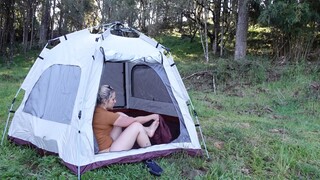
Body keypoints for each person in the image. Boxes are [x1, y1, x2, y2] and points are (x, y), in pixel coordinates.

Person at [93, 85, 160, 153]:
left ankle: (147, 130)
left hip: (108, 144)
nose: (115, 101)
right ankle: (150, 153)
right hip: (107, 152)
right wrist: (152, 117)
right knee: (137, 126)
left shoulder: (96, 111)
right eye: (113, 99)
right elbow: (133, 121)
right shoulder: (105, 115)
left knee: (119, 114)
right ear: (105, 101)